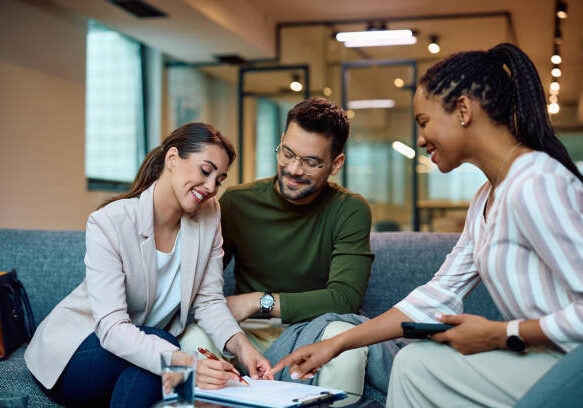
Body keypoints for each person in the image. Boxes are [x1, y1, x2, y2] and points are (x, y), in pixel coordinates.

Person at [271, 43, 583, 407]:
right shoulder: (487, 197)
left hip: (571, 363)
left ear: (464, 110)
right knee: (417, 362)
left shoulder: (536, 182)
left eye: (423, 122)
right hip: (546, 357)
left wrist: (500, 334)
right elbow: (436, 295)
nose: (419, 139)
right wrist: (334, 344)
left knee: (420, 368)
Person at [25, 123, 271, 408]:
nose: (211, 187)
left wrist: (243, 347)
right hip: (77, 353)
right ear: (172, 159)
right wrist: (186, 362)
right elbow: (113, 328)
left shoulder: (209, 215)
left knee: (155, 363)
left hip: (138, 355)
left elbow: (209, 301)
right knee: (166, 347)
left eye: (220, 179)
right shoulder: (109, 222)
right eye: (205, 171)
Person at [180, 98, 383, 396]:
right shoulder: (236, 203)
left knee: (347, 342)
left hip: (311, 330)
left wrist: (257, 301)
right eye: (287, 153)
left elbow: (344, 299)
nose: (293, 169)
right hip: (245, 332)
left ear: (336, 164)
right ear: (281, 142)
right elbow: (196, 281)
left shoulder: (350, 210)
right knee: (193, 339)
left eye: (311, 162)